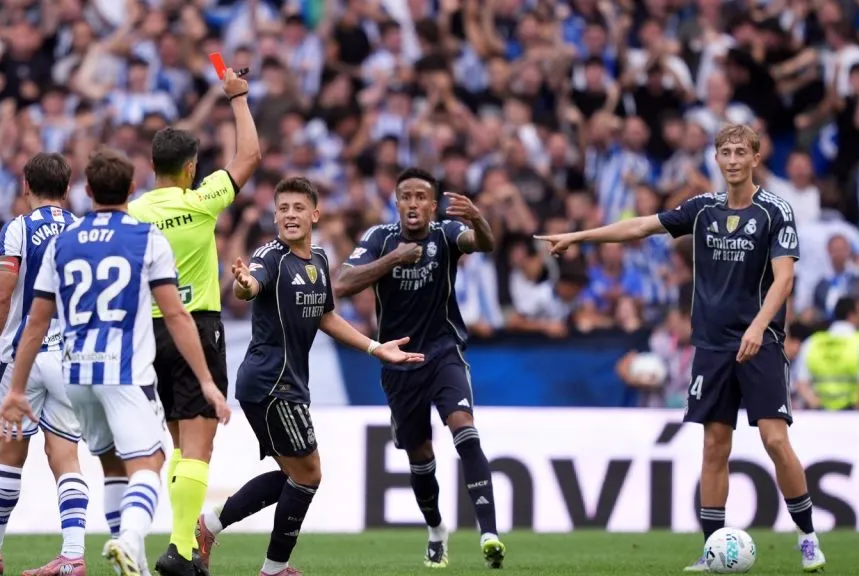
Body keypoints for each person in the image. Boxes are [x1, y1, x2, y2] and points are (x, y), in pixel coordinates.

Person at [535, 124, 826, 573]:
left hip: (759, 340)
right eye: (724, 152)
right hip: (711, 344)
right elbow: (641, 226)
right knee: (714, 445)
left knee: (773, 439)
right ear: (716, 159)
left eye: (739, 152)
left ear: (754, 157)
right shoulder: (703, 208)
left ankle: (808, 538)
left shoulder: (774, 211)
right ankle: (712, 550)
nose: (731, 160)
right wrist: (579, 237)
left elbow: (784, 278)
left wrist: (758, 327)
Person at [0, 149, 231, 576]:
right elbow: (176, 314)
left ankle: (133, 563)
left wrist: (15, 388)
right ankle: (128, 541)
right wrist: (206, 380)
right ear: (130, 190)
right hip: (123, 371)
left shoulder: (63, 242)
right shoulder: (146, 237)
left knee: (112, 467)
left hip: (77, 373)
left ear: (87, 191)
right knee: (154, 460)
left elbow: (36, 322)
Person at [195, 176, 424, 576]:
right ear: (275, 216)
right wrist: (245, 284)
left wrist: (375, 347)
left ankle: (210, 525)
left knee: (295, 474)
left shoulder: (317, 260)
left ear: (314, 214)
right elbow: (249, 286)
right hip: (270, 383)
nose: (289, 215)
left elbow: (325, 316)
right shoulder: (270, 256)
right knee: (309, 474)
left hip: (286, 384)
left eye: (298, 208)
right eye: (282, 208)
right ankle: (273, 568)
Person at [332, 167, 506, 569]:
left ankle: (489, 533)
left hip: (443, 352)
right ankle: (435, 529)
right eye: (405, 197)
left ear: (432, 204)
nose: (413, 204)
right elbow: (340, 283)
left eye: (420, 197)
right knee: (420, 456)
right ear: (397, 203)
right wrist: (392, 259)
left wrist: (477, 217)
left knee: (464, 427)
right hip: (398, 361)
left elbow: (485, 243)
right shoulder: (380, 239)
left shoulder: (446, 235)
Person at [126, 66, 259, 575]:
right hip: (197, 327)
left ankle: (176, 544)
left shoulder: (135, 213)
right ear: (189, 168)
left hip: (148, 331)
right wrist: (239, 98)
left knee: (179, 442)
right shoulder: (200, 202)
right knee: (199, 443)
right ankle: (182, 549)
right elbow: (249, 157)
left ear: (152, 166)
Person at [0, 152, 114, 576]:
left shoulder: (19, 229)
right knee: (65, 455)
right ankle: (72, 554)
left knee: (10, 453)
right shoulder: (85, 230)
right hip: (71, 356)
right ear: (67, 189)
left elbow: (0, 295)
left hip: (25, 357)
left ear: (25, 185)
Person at [794, 296, 859, 410]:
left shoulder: (812, 343)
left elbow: (801, 383)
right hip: (853, 413)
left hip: (820, 415)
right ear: (851, 315)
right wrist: (857, 412)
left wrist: (819, 406)